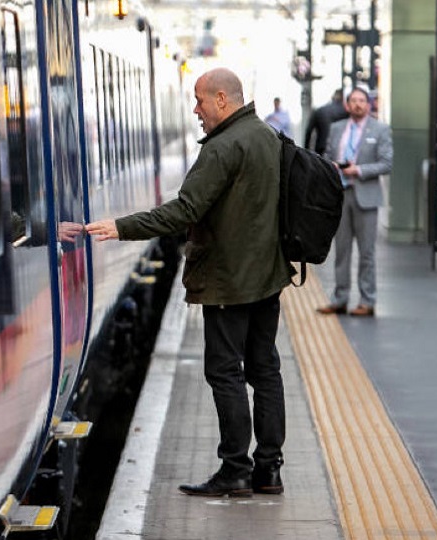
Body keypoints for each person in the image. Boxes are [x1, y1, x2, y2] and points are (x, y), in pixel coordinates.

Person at [86, 67, 293, 498]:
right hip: (268, 277)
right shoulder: (268, 137)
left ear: (222, 99)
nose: (195, 110)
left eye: (200, 100)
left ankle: (235, 469)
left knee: (225, 372)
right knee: (265, 369)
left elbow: (183, 212)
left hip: (227, 281)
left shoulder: (222, 148)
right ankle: (269, 470)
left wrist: (119, 228)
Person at [317, 86, 393, 317]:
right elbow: (328, 156)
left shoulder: (380, 130)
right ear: (348, 105)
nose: (358, 104)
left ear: (369, 105)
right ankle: (339, 299)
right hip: (341, 195)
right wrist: (330, 166)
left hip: (366, 197)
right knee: (341, 251)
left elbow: (386, 163)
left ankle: (367, 301)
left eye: (362, 100)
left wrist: (358, 170)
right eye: (354, 101)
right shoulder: (337, 128)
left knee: (367, 253)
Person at [303, 88, 348, 154]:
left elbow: (308, 131)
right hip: (339, 148)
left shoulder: (319, 110)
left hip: (321, 147)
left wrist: (306, 150)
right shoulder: (346, 112)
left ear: (333, 97)